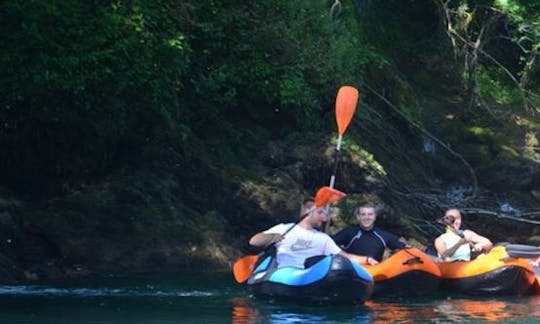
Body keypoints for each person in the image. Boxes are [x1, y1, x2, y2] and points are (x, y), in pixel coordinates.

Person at [249, 198, 371, 268]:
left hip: (311, 275)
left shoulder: (323, 238)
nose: (324, 218)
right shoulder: (284, 228)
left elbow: (344, 257)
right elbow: (254, 241)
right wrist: (271, 237)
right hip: (286, 274)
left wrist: (367, 259)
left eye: (325, 214)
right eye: (320, 213)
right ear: (308, 212)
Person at [332, 202, 407, 265]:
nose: (366, 217)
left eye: (370, 214)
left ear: (375, 217)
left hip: (374, 274)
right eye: (363, 214)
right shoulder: (349, 232)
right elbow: (328, 245)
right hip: (352, 272)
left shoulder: (384, 235)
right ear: (358, 217)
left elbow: (405, 248)